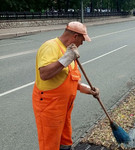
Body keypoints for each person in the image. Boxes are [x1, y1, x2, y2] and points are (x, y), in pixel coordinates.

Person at [32, 21, 99, 150]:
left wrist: (90, 90)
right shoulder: (51, 46)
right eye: (82, 39)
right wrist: (66, 59)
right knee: (50, 144)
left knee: (65, 141)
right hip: (49, 107)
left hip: (64, 109)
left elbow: (73, 81)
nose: (82, 43)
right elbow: (44, 74)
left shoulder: (70, 51)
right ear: (75, 36)